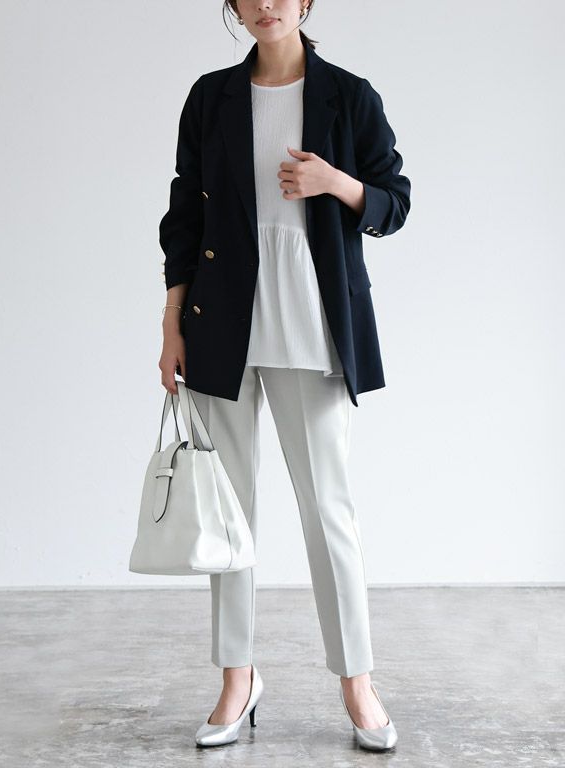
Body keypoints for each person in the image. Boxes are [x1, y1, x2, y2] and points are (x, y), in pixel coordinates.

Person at [158, 0, 411, 752]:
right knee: (227, 514)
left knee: (328, 509)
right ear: (233, 8)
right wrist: (171, 323)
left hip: (313, 322)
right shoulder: (212, 97)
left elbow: (394, 203)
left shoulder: (349, 95)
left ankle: (358, 683)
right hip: (222, 325)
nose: (265, 4)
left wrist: (335, 180)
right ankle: (237, 678)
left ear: (305, 2)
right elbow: (183, 216)